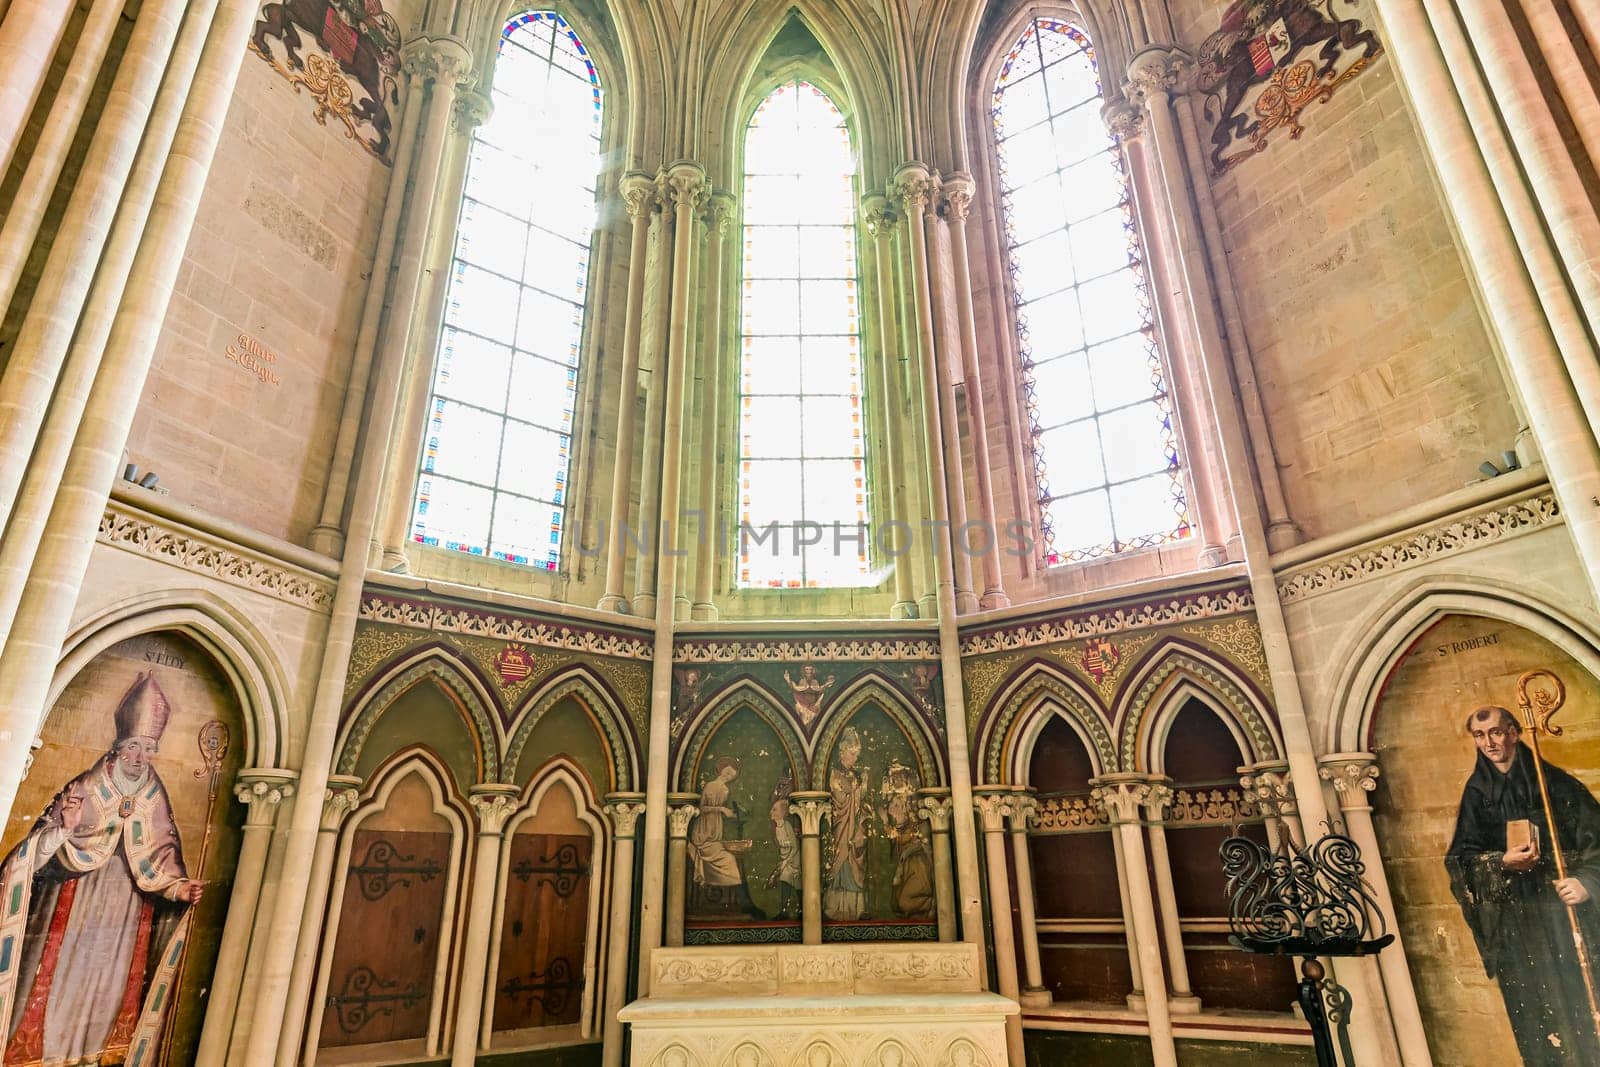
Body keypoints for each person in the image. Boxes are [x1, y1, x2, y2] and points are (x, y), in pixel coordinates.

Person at [0, 672, 202, 1066]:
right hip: (72, 910)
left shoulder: (153, 795)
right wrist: (63, 831)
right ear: (117, 746)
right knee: (59, 984)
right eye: (132, 747)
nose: (139, 757)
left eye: (147, 748)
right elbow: (30, 858)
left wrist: (178, 889)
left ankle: (95, 1057)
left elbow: (163, 852)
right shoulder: (85, 787)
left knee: (107, 989)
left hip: (126, 921)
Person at [1445, 704, 1600, 1064]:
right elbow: (1459, 859)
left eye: (1496, 732)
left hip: (1562, 915)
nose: (1489, 743)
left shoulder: (1555, 784)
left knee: (1579, 1002)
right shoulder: (1477, 793)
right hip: (1516, 926)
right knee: (1533, 1013)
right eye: (1480, 735)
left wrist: (1587, 882)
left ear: (1514, 733)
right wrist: (1500, 862)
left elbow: (1598, 840)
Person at [688, 757, 763, 918]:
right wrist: (721, 809)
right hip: (703, 831)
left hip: (715, 829)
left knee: (731, 857)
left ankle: (738, 901)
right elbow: (701, 808)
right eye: (727, 772)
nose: (728, 776)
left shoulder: (725, 789)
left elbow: (724, 811)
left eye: (732, 776)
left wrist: (732, 814)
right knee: (729, 859)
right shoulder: (710, 785)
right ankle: (737, 901)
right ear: (721, 769)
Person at [878, 763, 935, 918]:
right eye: (890, 804)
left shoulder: (915, 825)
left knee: (904, 903)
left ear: (905, 808)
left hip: (917, 868)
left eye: (895, 805)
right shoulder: (901, 825)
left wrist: (884, 822)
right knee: (896, 904)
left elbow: (907, 839)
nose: (890, 809)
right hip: (905, 869)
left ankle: (934, 903)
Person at [825, 728, 869, 919]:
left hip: (855, 825)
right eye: (852, 754)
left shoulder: (855, 775)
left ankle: (855, 909)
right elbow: (839, 799)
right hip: (841, 826)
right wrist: (856, 791)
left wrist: (863, 787)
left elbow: (862, 801)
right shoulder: (834, 774)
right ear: (842, 752)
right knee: (840, 859)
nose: (855, 758)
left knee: (854, 860)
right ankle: (835, 908)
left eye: (857, 755)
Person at [766, 781, 801, 920]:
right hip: (785, 859)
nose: (771, 812)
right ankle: (785, 910)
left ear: (782, 813)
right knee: (789, 882)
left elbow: (795, 846)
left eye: (774, 809)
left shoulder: (786, 825)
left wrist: (786, 861)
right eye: (772, 809)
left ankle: (790, 911)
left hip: (793, 859)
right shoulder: (777, 828)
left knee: (791, 881)